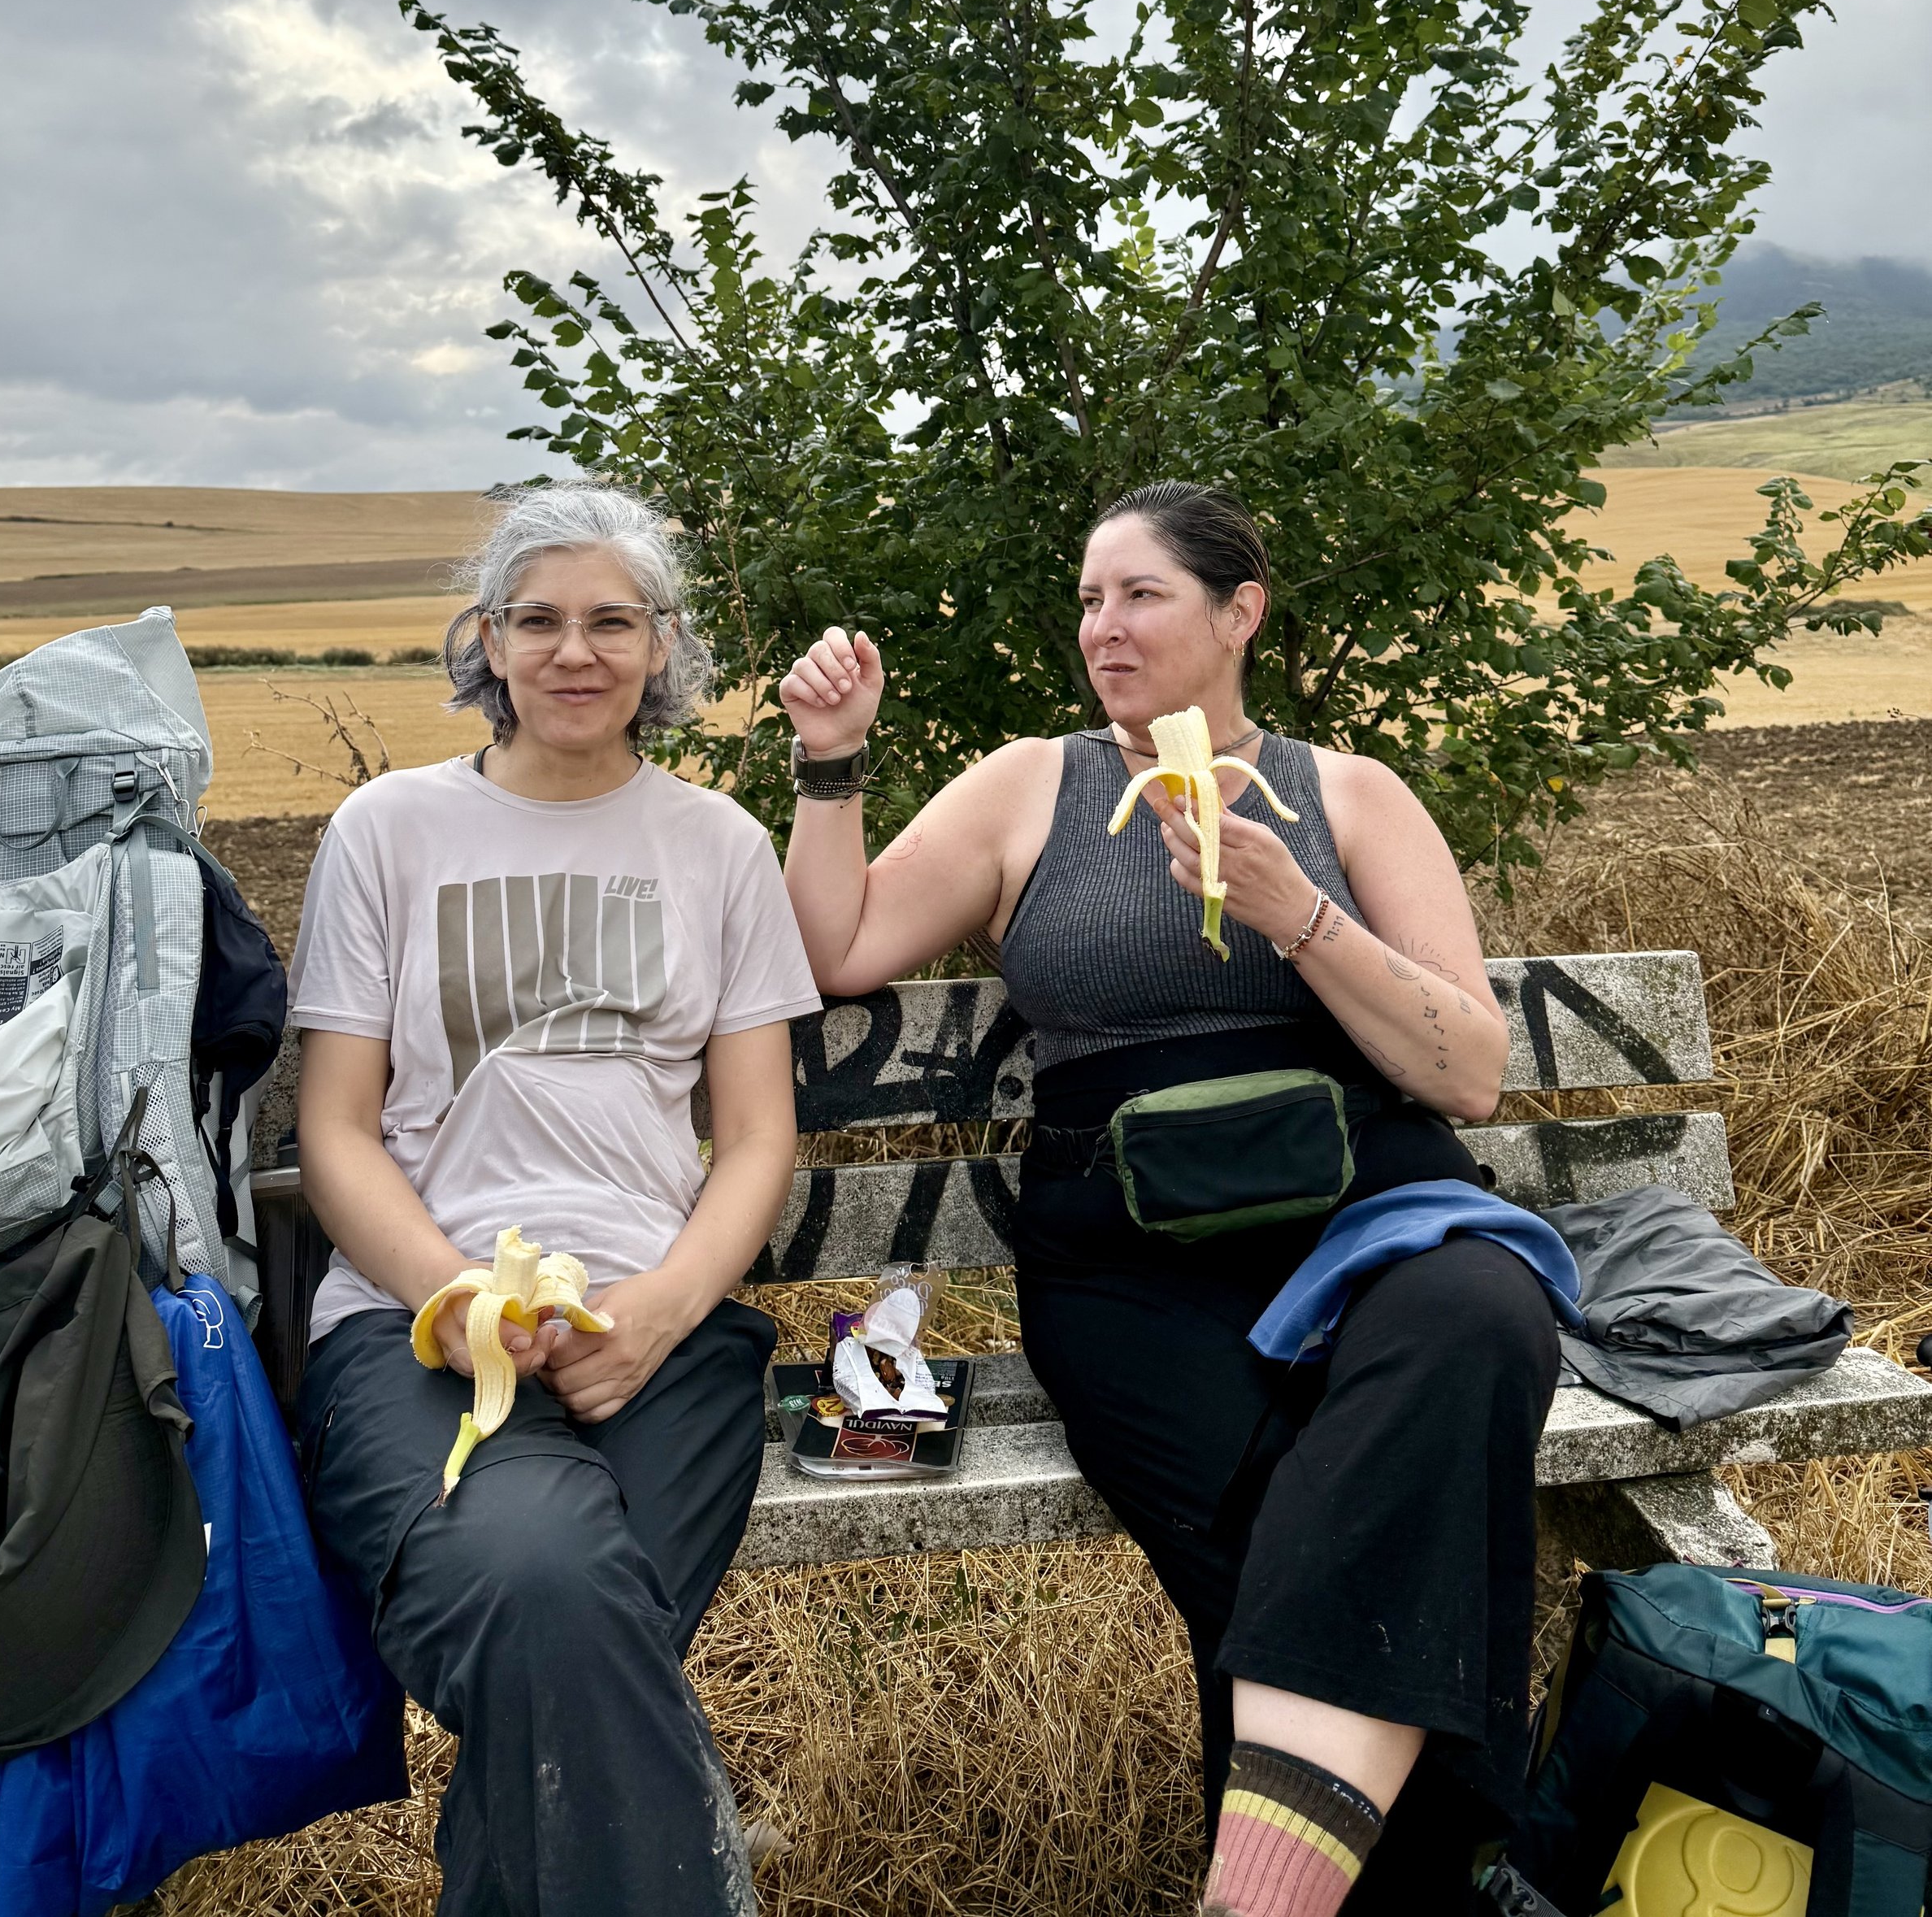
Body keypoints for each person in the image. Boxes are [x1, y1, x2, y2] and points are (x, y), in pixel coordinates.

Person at [779, 482, 1558, 1917]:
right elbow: (840, 949)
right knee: (1301, 1543)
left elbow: (1469, 1073)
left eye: (1140, 594)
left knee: (1482, 1314)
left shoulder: (1349, 795)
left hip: (1367, 1217)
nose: (1104, 627)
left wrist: (1296, 913)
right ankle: (1436, 1881)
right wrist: (833, 763)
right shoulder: (1033, 785)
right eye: (1090, 599)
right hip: (1128, 1256)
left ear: (1239, 610)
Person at [292, 480, 818, 1916]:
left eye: (610, 621)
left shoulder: (718, 846)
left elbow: (756, 1137)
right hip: (414, 1327)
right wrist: (454, 1294)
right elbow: (335, 1130)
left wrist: (662, 1310)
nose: (573, 650)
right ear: (489, 641)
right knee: (551, 1584)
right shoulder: (390, 829)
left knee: (559, 1642)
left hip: (659, 1332)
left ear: (664, 644)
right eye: (537, 619)